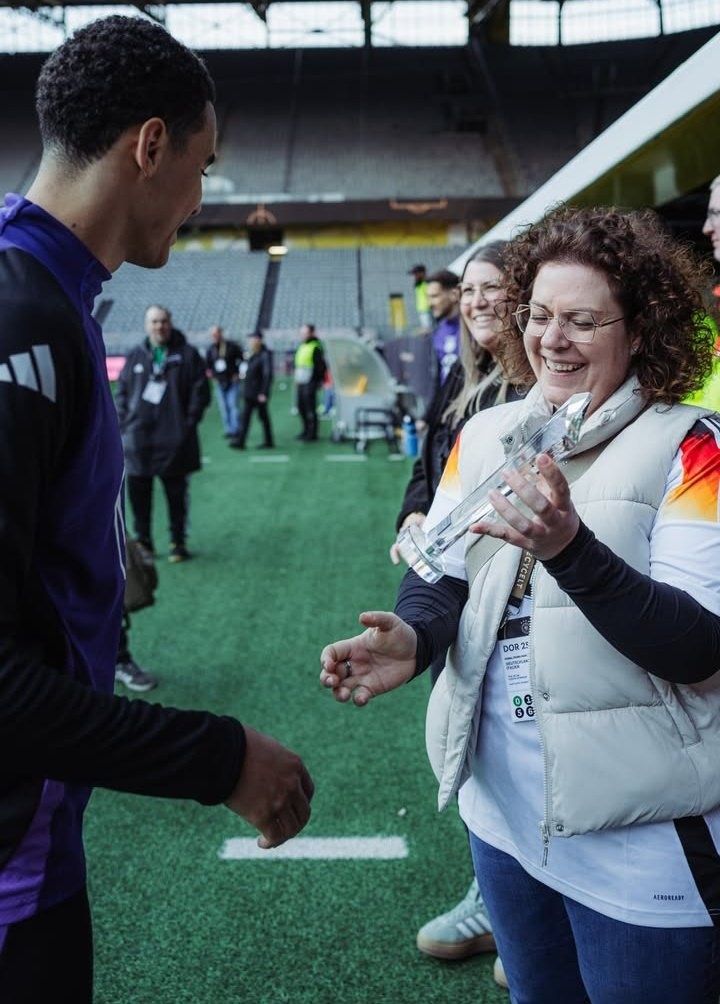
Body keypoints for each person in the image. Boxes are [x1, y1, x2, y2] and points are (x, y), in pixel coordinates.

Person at [321, 205, 720, 1003]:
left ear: (641, 328)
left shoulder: (695, 444)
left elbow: (700, 647)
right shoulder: (488, 431)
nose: (551, 339)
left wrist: (571, 551)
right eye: (538, 315)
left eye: (582, 321)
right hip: (500, 813)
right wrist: (415, 636)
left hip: (641, 832)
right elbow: (444, 571)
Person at [0, 17, 313, 1001]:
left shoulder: (48, 293)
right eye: (202, 166)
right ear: (149, 146)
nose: (202, 197)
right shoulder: (21, 321)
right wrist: (219, 758)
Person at [390, 243, 532, 972]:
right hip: (456, 592)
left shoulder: (540, 386)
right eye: (468, 288)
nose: (475, 300)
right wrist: (414, 516)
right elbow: (428, 471)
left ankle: (524, 911)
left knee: (520, 746)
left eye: (491, 287)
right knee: (471, 744)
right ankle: (505, 904)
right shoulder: (464, 378)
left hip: (518, 598)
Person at [116, 304, 210, 563]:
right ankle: (144, 541)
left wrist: (187, 425)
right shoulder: (135, 355)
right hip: (138, 441)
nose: (159, 326)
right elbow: (122, 391)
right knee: (139, 498)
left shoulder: (188, 355)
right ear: (147, 325)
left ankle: (177, 541)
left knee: (176, 496)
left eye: (163, 321)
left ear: (171, 323)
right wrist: (125, 423)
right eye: (154, 322)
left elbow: (201, 392)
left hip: (175, 442)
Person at [230, 330, 274, 450]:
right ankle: (241, 441)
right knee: (246, 417)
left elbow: (267, 375)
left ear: (258, 340)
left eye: (253, 339)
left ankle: (268, 441)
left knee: (263, 417)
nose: (250, 342)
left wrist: (263, 392)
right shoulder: (252, 354)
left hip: (258, 392)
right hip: (249, 392)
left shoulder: (264, 354)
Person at [205, 324, 243, 438]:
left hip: (232, 381)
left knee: (233, 405)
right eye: (213, 335)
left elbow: (242, 360)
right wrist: (213, 376)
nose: (214, 337)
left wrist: (238, 373)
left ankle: (236, 429)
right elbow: (208, 365)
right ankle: (228, 429)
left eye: (216, 334)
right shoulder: (211, 349)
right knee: (224, 407)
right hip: (219, 382)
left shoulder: (231, 346)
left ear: (221, 334)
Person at [426, 268, 461, 387]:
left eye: (434, 296)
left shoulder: (474, 330)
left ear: (454, 295)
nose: (429, 303)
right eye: (428, 297)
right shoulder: (437, 332)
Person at [294, 322, 327, 442]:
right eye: (301, 333)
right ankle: (305, 430)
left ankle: (312, 433)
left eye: (305, 333)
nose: (302, 335)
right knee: (301, 407)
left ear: (311, 333)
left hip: (310, 382)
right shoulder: (303, 346)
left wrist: (317, 382)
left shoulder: (315, 346)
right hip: (301, 381)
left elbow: (320, 366)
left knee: (310, 408)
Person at [409, 263, 432, 332]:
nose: (413, 276)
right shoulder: (419, 284)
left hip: (428, 310)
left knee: (428, 330)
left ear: (422, 273)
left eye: (415, 274)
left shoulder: (427, 283)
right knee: (426, 329)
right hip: (422, 310)